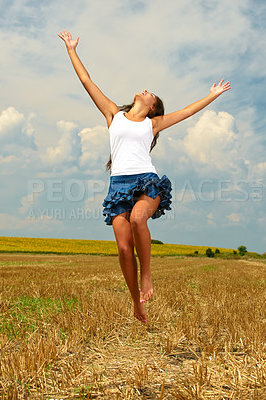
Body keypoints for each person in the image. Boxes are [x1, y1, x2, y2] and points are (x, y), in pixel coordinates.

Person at [58, 30, 231, 323]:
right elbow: (87, 81)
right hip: (118, 186)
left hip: (146, 182)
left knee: (139, 219)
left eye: (152, 93)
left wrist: (211, 96)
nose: (146, 89)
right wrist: (72, 50)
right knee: (124, 248)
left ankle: (147, 276)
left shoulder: (154, 124)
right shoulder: (113, 114)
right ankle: (136, 301)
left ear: (153, 107)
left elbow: (187, 112)